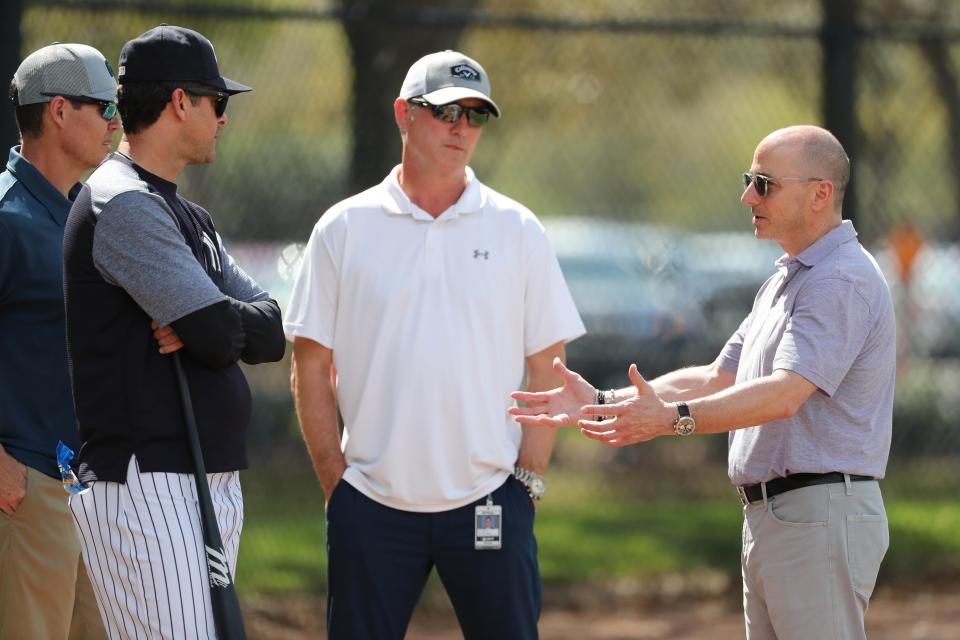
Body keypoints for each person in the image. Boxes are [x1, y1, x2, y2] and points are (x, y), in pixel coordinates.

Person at [512, 125, 895, 640]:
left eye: (764, 184)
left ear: (820, 193)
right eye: (749, 180)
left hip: (818, 513)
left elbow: (785, 394)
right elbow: (718, 376)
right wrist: (604, 401)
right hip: (785, 516)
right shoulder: (790, 276)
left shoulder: (839, 278)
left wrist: (671, 421)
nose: (747, 196)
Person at [285, 50, 584, 639]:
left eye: (476, 115)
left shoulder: (517, 228)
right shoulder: (343, 228)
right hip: (370, 503)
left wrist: (527, 483)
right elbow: (310, 367)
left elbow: (548, 367)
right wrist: (337, 486)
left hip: (489, 502)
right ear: (403, 113)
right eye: (446, 110)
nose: (461, 127)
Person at [63, 25, 285, 639]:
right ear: (180, 102)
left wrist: (209, 319)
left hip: (199, 476)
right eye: (219, 102)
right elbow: (217, 336)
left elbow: (271, 330)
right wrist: (212, 321)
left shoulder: (188, 213)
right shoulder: (122, 199)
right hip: (145, 479)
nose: (224, 119)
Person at [0, 42, 119, 640]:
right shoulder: (5, 215)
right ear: (59, 111)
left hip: (86, 492)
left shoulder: (82, 214)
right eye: (104, 107)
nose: (115, 123)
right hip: (26, 492)